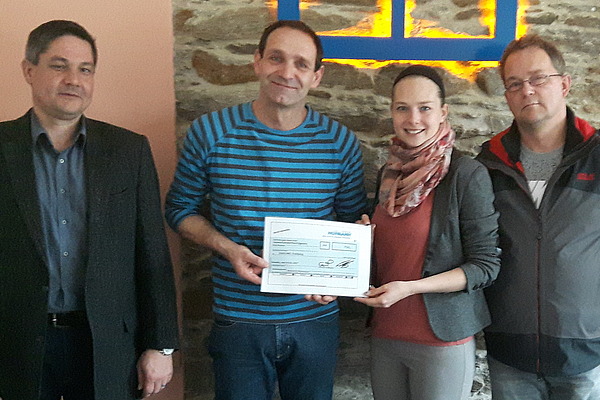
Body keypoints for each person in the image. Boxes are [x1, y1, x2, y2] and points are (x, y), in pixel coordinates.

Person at [165, 20, 367, 400]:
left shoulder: (340, 142)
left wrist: (338, 280)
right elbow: (178, 209)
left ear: (317, 77)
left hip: (314, 321)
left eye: (301, 64)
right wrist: (227, 248)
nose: (287, 72)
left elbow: (352, 223)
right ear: (257, 61)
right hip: (238, 322)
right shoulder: (211, 132)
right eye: (276, 58)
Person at [0, 20, 179, 400]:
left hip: (108, 344)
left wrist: (160, 345)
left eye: (85, 69)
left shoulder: (128, 151)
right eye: (59, 66)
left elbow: (152, 253)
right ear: (29, 70)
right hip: (18, 346)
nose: (74, 80)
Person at [354, 65, 501, 400]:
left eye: (425, 108)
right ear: (392, 112)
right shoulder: (390, 174)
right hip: (386, 334)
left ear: (443, 112)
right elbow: (391, 255)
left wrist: (410, 288)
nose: (413, 119)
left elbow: (485, 266)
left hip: (442, 341)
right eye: (402, 108)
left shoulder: (466, 175)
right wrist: (362, 243)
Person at [476, 34, 600, 399]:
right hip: (510, 351)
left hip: (586, 352)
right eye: (514, 84)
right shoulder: (488, 164)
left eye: (538, 78)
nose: (527, 90)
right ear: (506, 96)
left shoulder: (596, 156)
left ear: (564, 84)